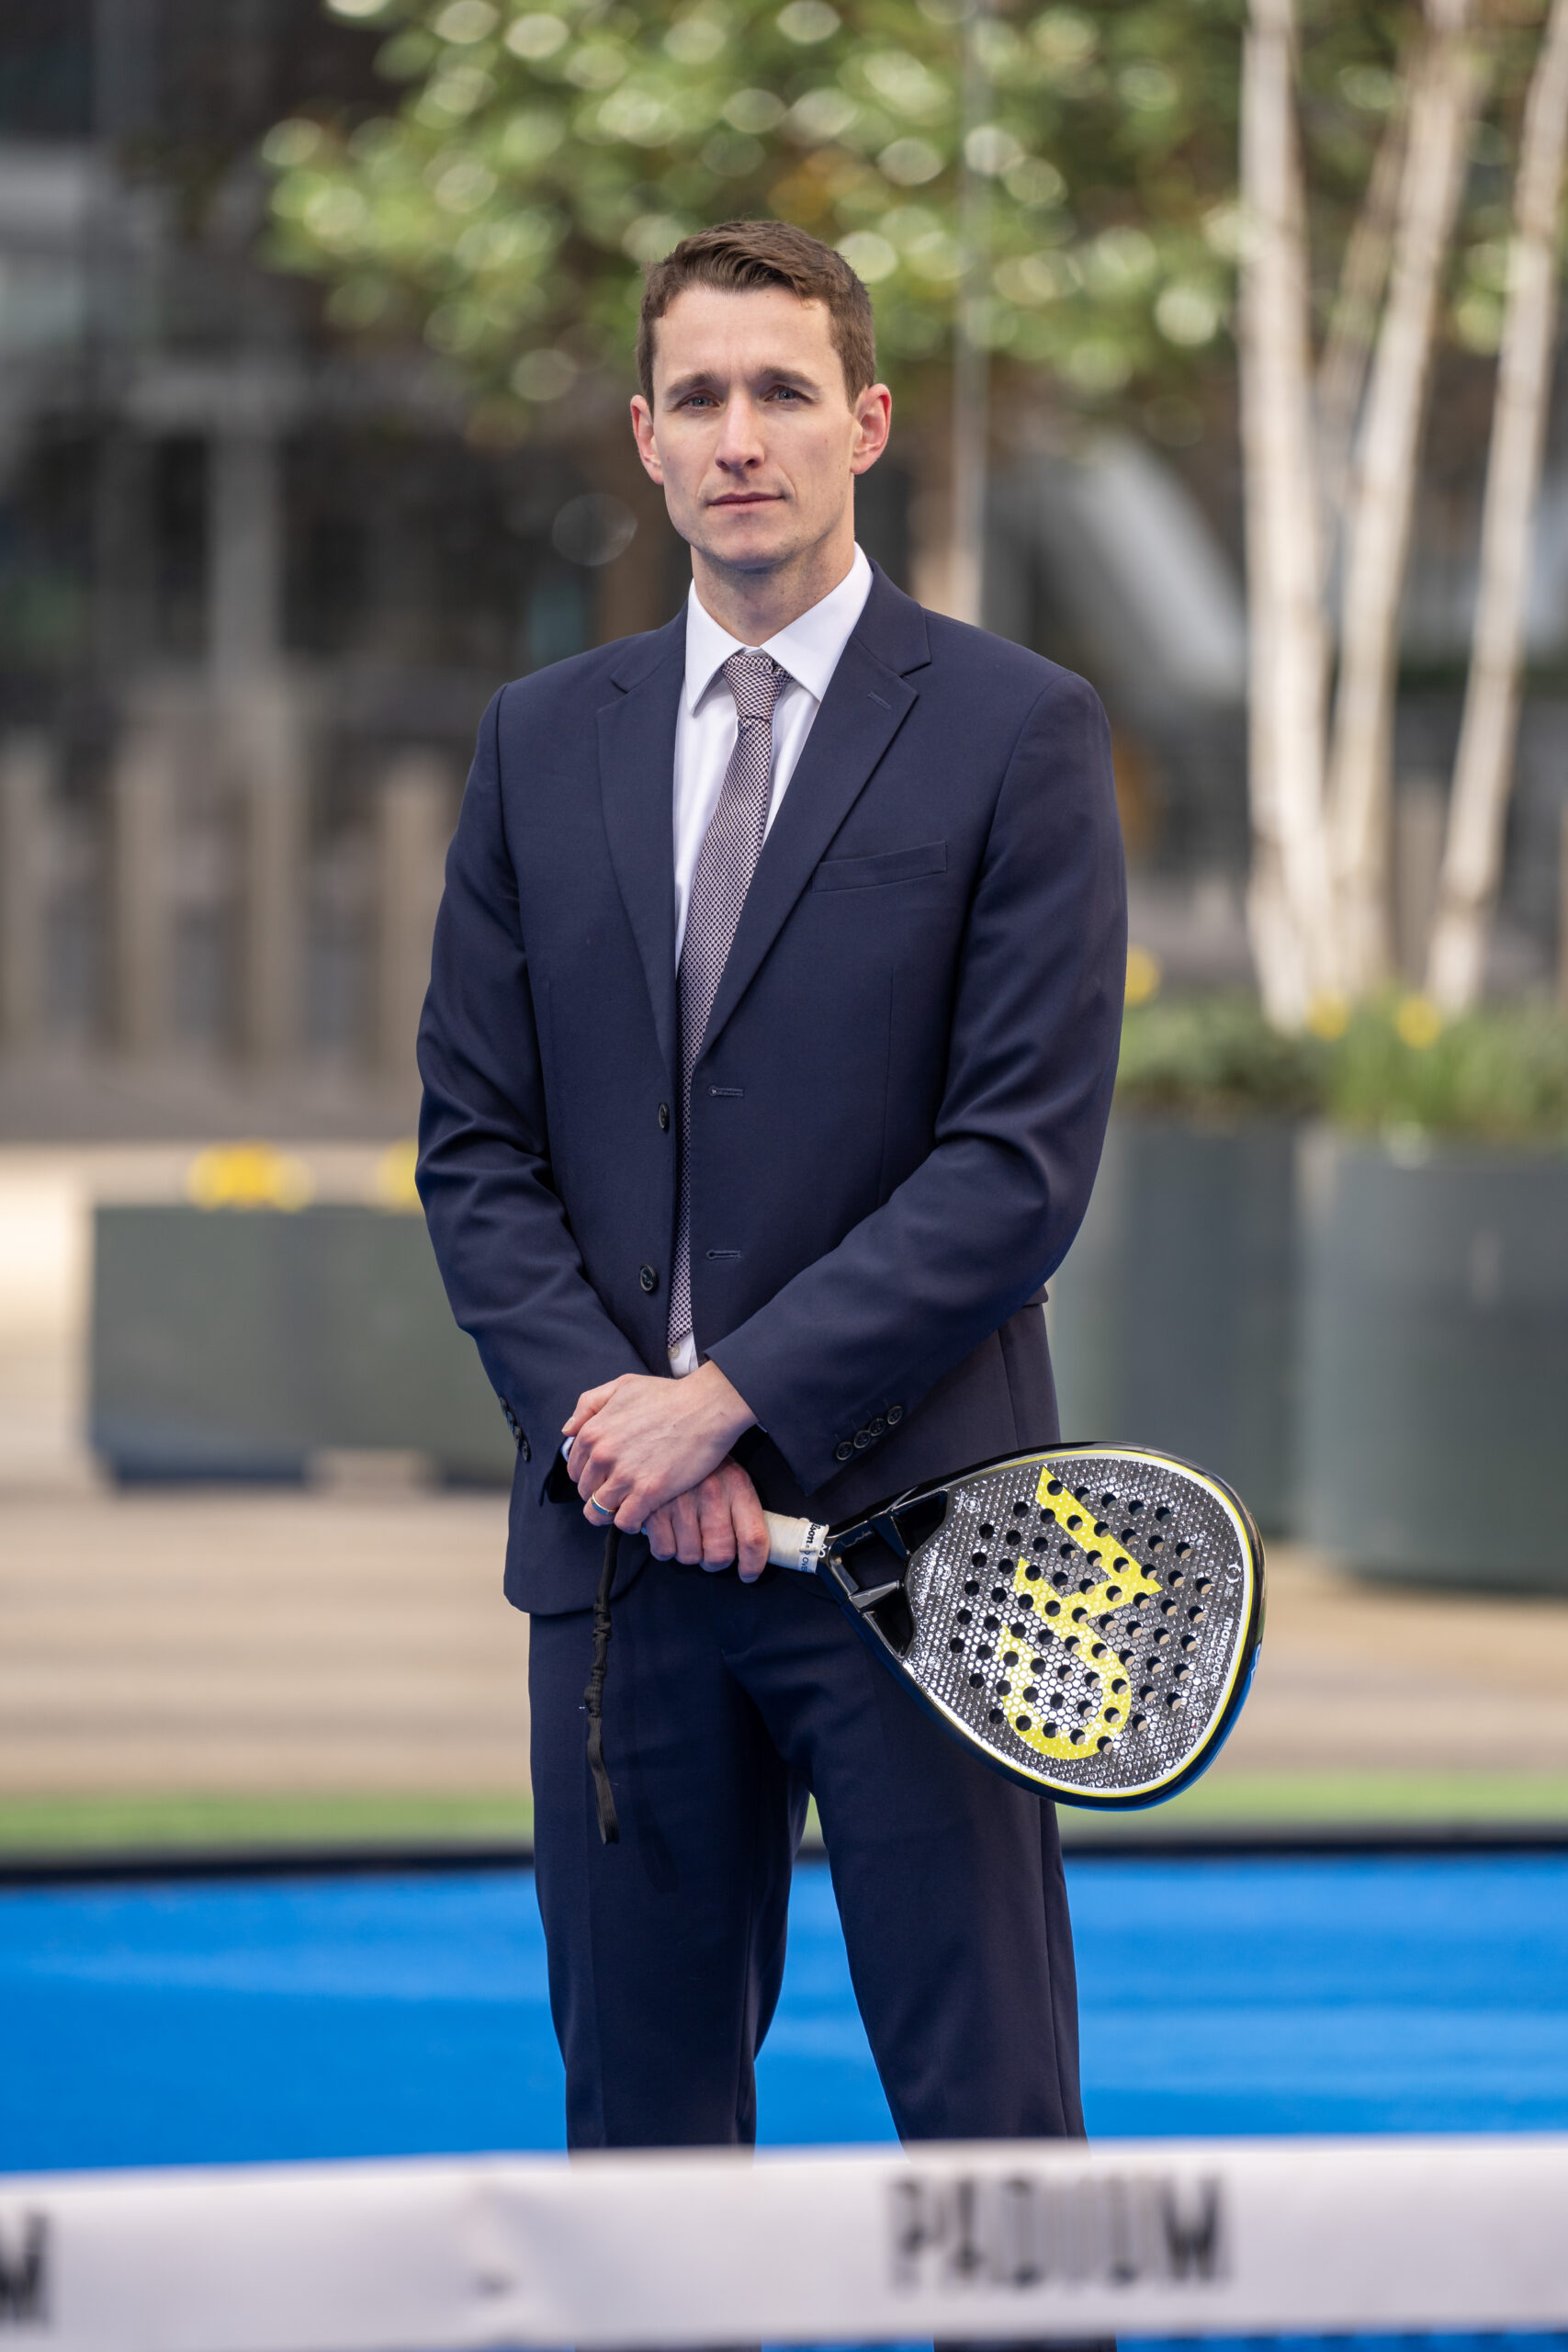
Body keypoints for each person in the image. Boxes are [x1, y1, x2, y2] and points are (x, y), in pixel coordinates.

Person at [416, 220, 1126, 2155]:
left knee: (990, 2129)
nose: (743, 435)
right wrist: (618, 1439)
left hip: (919, 1556)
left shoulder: (1016, 731)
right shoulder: (536, 741)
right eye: (702, 396)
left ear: (864, 422)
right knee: (638, 2145)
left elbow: (1014, 1166)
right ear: (645, 436)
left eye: (784, 392)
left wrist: (725, 1400)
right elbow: (474, 1145)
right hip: (620, 1564)